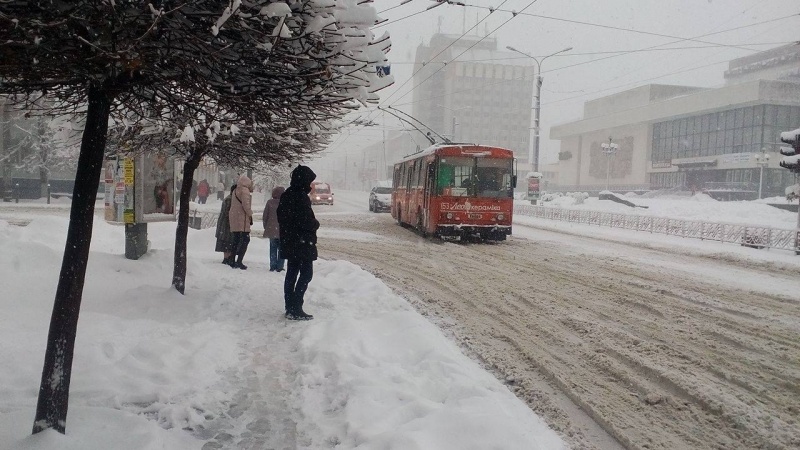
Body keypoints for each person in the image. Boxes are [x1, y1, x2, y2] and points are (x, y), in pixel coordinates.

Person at [277, 165, 319, 320]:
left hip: (290, 241)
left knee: (292, 273)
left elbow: (283, 217)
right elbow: (304, 221)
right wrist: (315, 224)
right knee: (306, 274)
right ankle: (296, 307)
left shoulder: (287, 194)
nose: (310, 185)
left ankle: (290, 307)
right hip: (301, 242)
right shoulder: (300, 196)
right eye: (309, 181)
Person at [228, 174, 254, 270]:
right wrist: (250, 214)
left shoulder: (235, 190)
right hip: (242, 218)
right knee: (245, 239)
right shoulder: (244, 191)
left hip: (234, 217)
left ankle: (231, 259)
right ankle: (239, 261)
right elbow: (246, 205)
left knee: (236, 239)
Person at [263, 186, 286, 272]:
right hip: (283, 230)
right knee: (282, 249)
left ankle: (273, 265)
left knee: (273, 248)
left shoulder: (270, 202)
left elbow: (265, 216)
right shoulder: (286, 203)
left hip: (271, 229)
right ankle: (280, 266)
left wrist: (266, 226)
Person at [215, 184, 237, 265]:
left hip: (225, 223)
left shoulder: (230, 199)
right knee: (227, 240)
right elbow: (228, 212)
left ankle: (227, 257)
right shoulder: (230, 199)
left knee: (227, 241)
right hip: (226, 224)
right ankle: (226, 258)